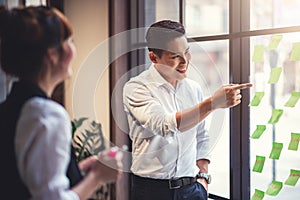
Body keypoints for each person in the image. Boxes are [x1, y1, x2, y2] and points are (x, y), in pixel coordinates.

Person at [0, 5, 122, 199]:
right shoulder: (46, 114)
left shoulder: (13, 107)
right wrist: (98, 177)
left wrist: (79, 169)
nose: (74, 49)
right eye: (69, 41)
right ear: (52, 54)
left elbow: (29, 180)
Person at [123, 20, 252, 200]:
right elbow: (164, 125)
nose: (184, 61)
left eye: (186, 52)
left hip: (191, 190)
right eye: (174, 56)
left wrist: (203, 176)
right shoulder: (136, 88)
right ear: (154, 58)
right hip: (151, 191)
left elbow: (201, 135)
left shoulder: (193, 88)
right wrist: (212, 103)